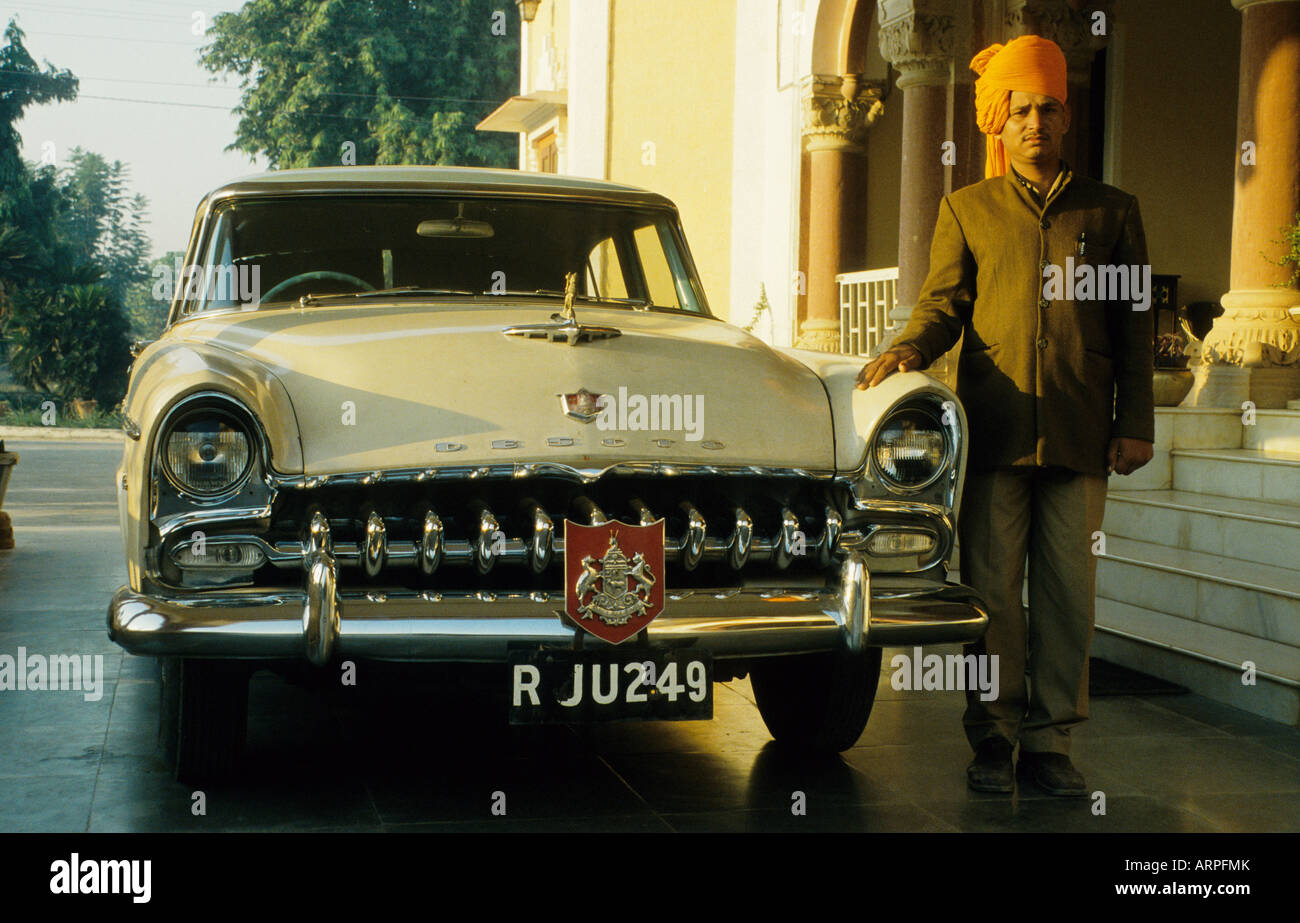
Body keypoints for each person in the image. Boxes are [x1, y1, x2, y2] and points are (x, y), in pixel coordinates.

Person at [857, 35, 1154, 796]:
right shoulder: (968, 209)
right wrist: (909, 349)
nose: (1035, 123)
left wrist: (1137, 420)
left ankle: (1051, 743)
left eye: (1049, 109)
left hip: (1083, 431)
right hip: (994, 433)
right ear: (1001, 121)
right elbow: (942, 304)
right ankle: (991, 737)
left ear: (1065, 117)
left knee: (1067, 597)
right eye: (1021, 110)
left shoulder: (1111, 211)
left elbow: (1131, 327)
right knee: (991, 599)